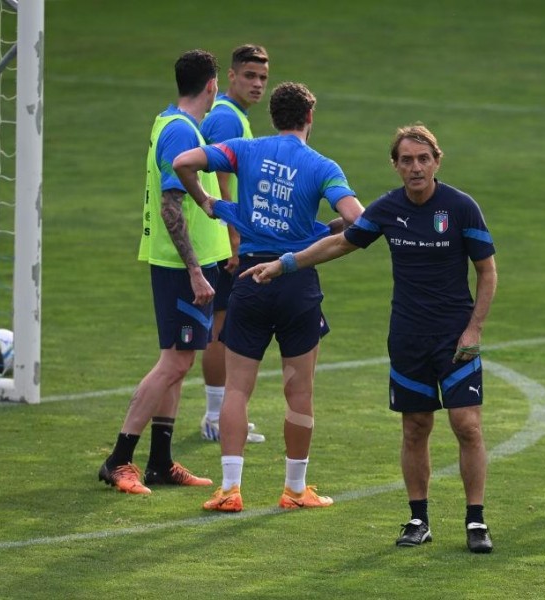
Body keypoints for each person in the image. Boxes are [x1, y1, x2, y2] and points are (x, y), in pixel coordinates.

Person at [241, 124, 498, 553]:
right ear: (395, 165)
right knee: (415, 428)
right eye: (406, 160)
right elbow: (340, 244)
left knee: (467, 426)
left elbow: (487, 271)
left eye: (423, 159)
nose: (415, 167)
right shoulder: (387, 208)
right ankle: (418, 518)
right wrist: (284, 264)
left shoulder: (461, 208)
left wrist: (474, 329)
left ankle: (476, 521)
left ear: (436, 160)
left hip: (455, 338)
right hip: (407, 338)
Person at [173, 81, 365, 512]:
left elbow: (184, 161)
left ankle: (229, 489)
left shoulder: (245, 149)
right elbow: (357, 220)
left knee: (238, 390)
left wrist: (210, 204)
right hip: (298, 285)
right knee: (299, 394)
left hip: (250, 280)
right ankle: (295, 490)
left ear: (273, 117)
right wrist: (320, 232)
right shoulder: (321, 166)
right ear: (309, 119)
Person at [98, 49, 227, 494]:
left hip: (187, 264)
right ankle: (118, 460)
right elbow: (172, 207)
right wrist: (194, 270)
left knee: (181, 362)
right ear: (211, 85)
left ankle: (160, 461)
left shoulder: (172, 123)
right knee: (173, 362)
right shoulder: (180, 133)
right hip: (179, 268)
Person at [198, 43, 269, 445]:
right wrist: (234, 237)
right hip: (228, 239)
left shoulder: (232, 115)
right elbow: (221, 179)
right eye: (249, 76)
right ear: (231, 76)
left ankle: (216, 414)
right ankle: (213, 417)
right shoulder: (226, 119)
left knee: (223, 324)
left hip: (227, 234)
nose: (257, 84)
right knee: (221, 326)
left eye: (262, 77)